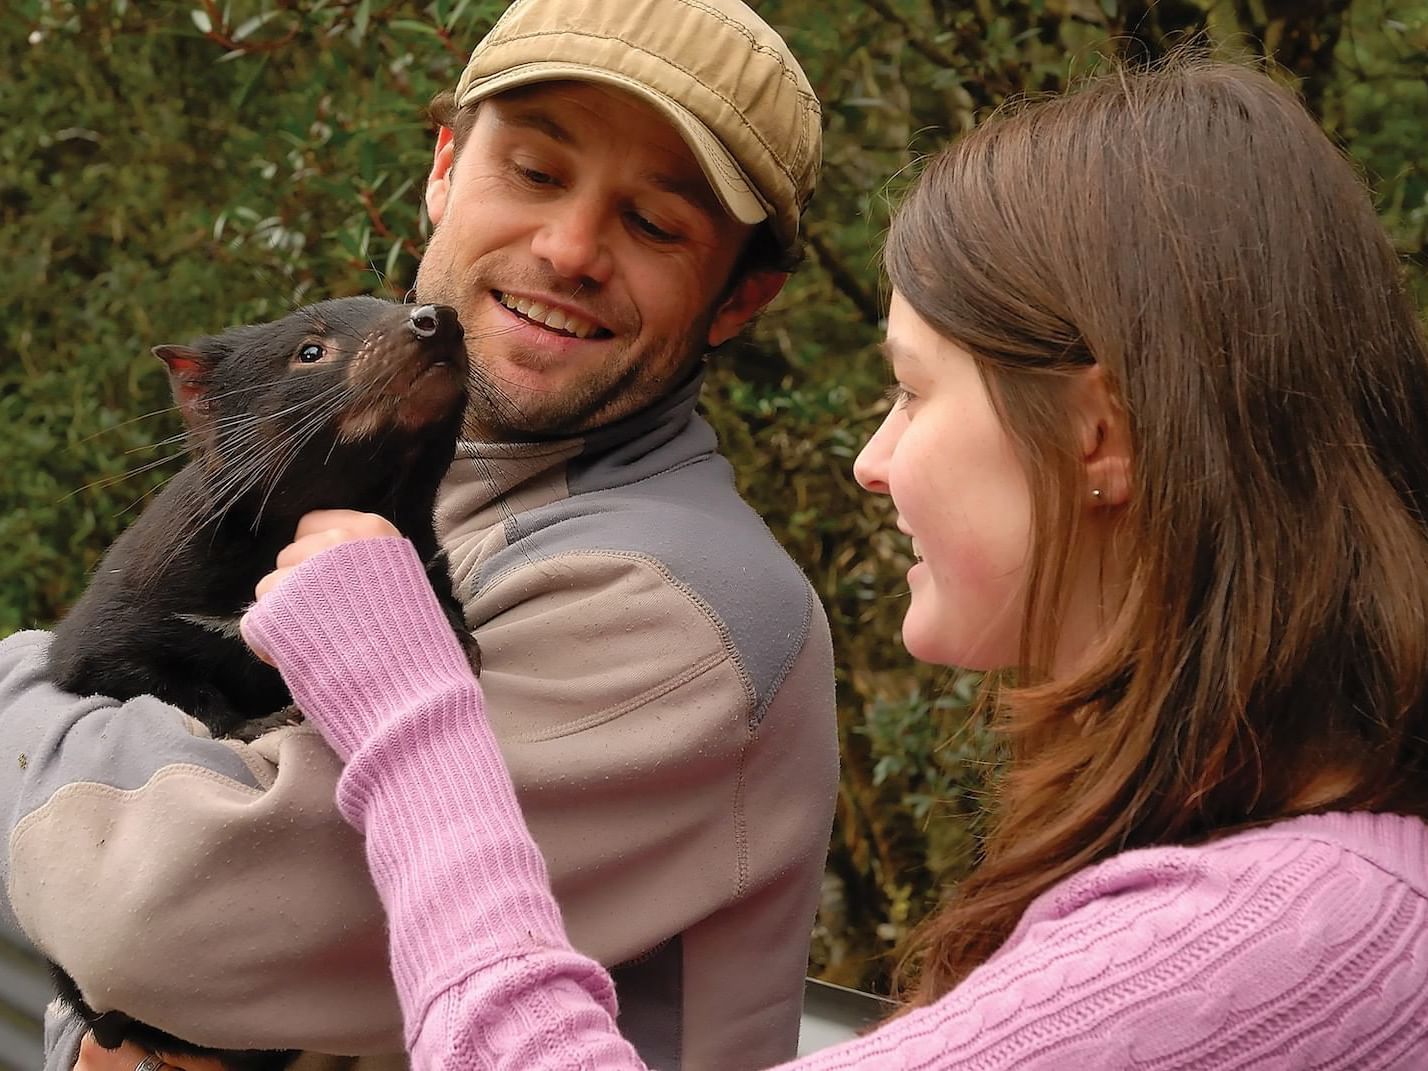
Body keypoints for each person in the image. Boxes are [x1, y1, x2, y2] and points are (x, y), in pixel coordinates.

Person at [91, 55, 1428, 1070]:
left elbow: (155, 915)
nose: (869, 459)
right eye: (537, 171)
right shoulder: (1284, 880)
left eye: (909, 390)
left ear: (1100, 429)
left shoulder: (1266, 943)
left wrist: (406, 700)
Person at [0, 2, 838, 1069]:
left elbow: (159, 915)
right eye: (536, 172)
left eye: (656, 225)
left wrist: (20, 693)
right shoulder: (397, 488)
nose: (570, 248)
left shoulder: (681, 611)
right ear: (443, 166)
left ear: (739, 300)